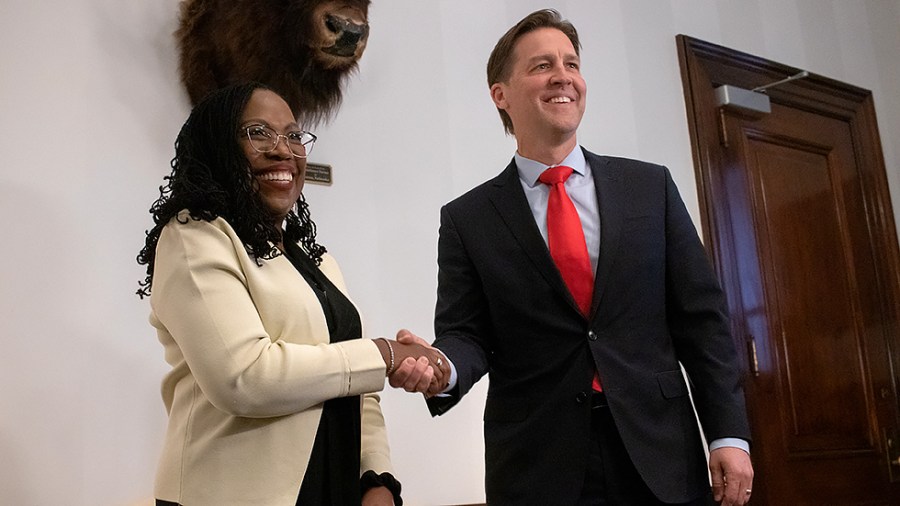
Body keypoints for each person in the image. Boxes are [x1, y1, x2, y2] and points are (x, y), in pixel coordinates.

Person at [395, 9, 754, 506]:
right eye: (542, 65)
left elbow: (703, 322)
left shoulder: (651, 188)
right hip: (537, 464)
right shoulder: (468, 219)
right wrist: (440, 366)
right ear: (500, 94)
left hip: (660, 453)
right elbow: (467, 332)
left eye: (571, 63)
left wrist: (728, 435)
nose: (563, 76)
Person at [136, 82, 444, 506]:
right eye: (258, 132)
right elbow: (244, 379)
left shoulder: (316, 261)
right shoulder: (193, 236)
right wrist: (384, 353)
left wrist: (376, 478)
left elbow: (357, 387)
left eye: (294, 135)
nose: (284, 150)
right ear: (218, 147)